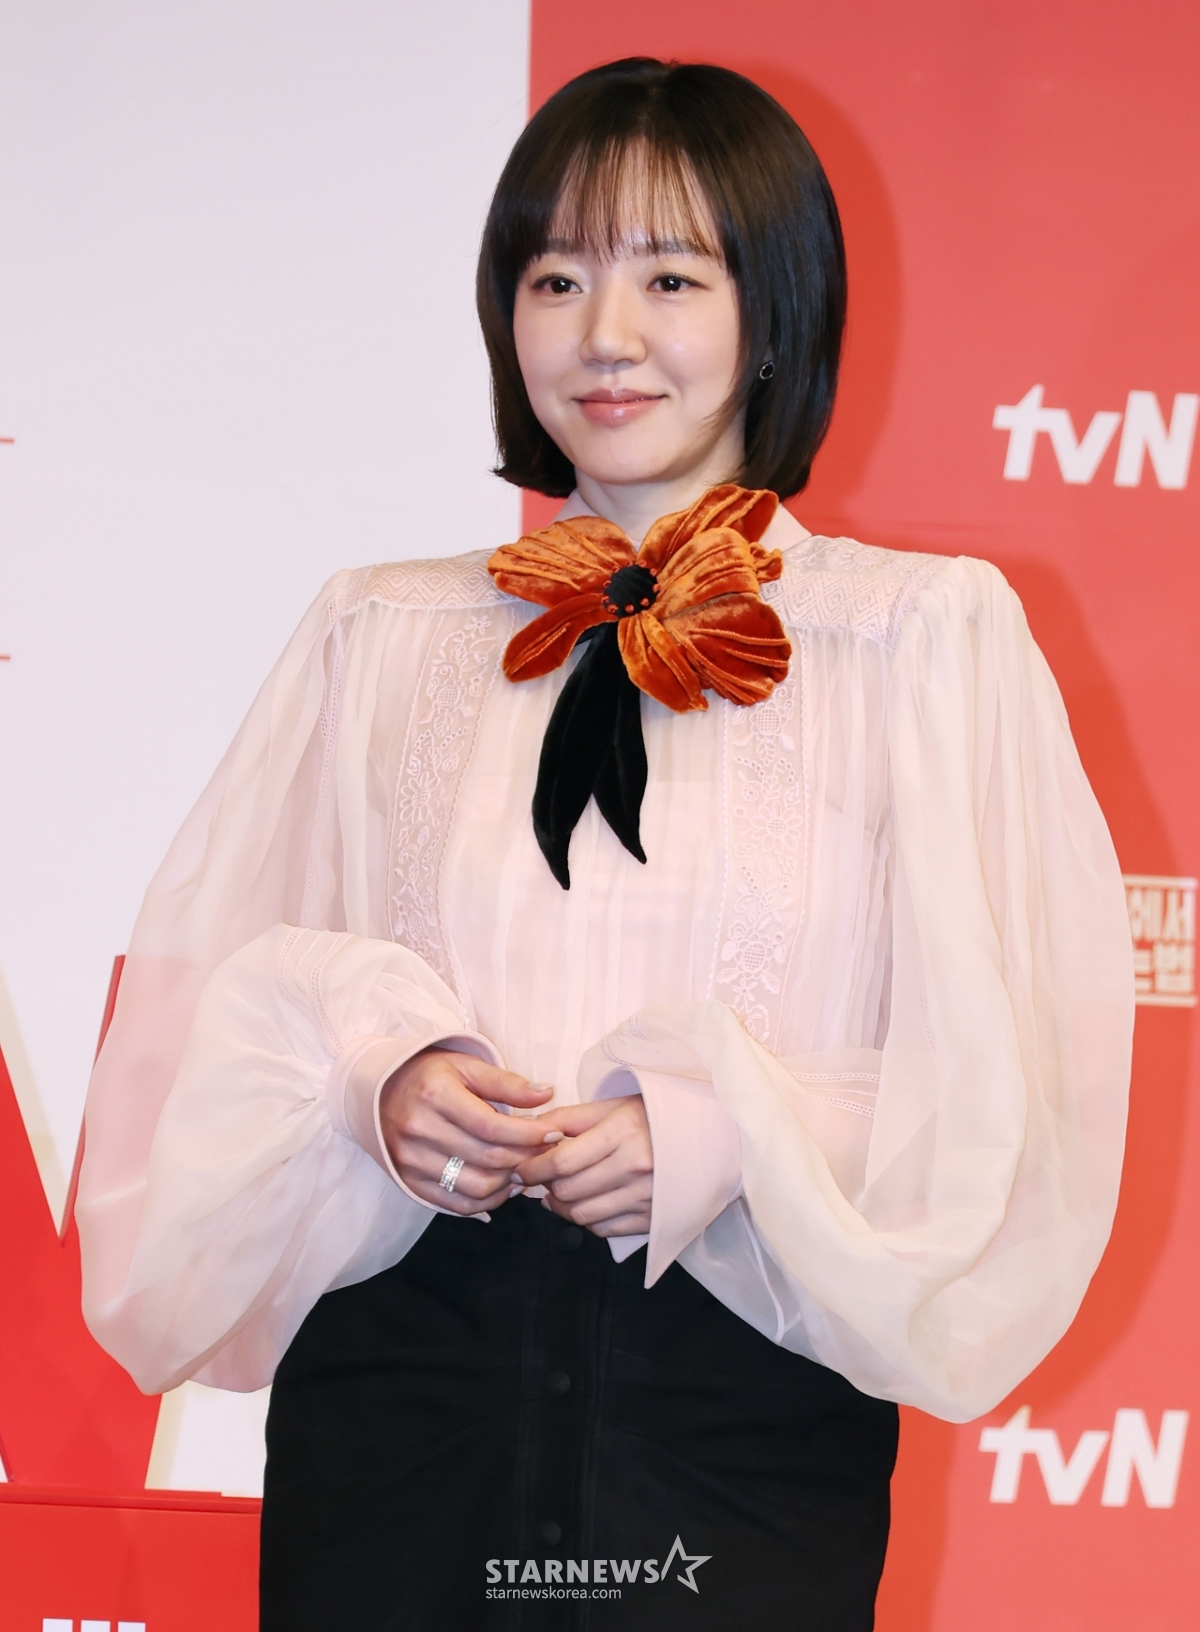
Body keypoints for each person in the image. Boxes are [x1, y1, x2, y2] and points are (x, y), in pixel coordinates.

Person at [77, 57, 1133, 1631]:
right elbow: (222, 1009)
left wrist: (720, 1136)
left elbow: (994, 1087)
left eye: (671, 277)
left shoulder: (916, 639)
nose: (606, 334)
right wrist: (382, 1081)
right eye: (558, 278)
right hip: (406, 1395)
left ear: (773, 310)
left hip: (734, 1408)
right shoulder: (379, 630)